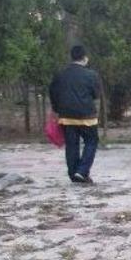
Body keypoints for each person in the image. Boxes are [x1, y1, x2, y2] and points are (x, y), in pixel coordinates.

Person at [49, 45, 101, 184]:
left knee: (72, 145)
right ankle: (82, 171)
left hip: (66, 116)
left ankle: (74, 174)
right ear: (84, 58)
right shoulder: (91, 75)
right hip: (87, 116)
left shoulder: (60, 74)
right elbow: (96, 95)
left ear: (71, 57)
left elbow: (53, 93)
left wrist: (57, 108)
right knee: (91, 141)